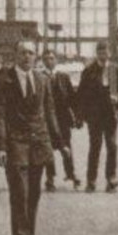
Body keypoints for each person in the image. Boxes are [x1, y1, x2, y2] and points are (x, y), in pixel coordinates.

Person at [0, 42, 61, 235]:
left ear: (36, 56)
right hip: (15, 145)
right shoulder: (3, 81)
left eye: (31, 53)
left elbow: (49, 112)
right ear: (15, 55)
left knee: (33, 195)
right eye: (22, 53)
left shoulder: (42, 80)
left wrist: (60, 142)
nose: (26, 57)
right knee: (19, 195)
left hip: (38, 144)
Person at [75, 40, 118, 191]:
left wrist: (117, 97)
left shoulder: (115, 69)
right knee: (95, 147)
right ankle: (91, 181)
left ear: (110, 53)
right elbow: (81, 95)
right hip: (95, 117)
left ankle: (111, 180)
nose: (104, 54)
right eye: (101, 52)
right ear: (97, 53)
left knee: (112, 146)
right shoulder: (89, 70)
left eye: (106, 52)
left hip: (111, 115)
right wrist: (80, 116)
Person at [40, 49, 80, 191]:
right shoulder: (40, 77)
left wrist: (77, 116)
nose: (49, 61)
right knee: (48, 149)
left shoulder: (63, 77)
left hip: (63, 119)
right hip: (46, 120)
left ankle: (71, 174)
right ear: (43, 61)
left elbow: (72, 99)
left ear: (56, 60)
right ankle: (50, 179)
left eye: (51, 58)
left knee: (66, 146)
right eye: (46, 58)